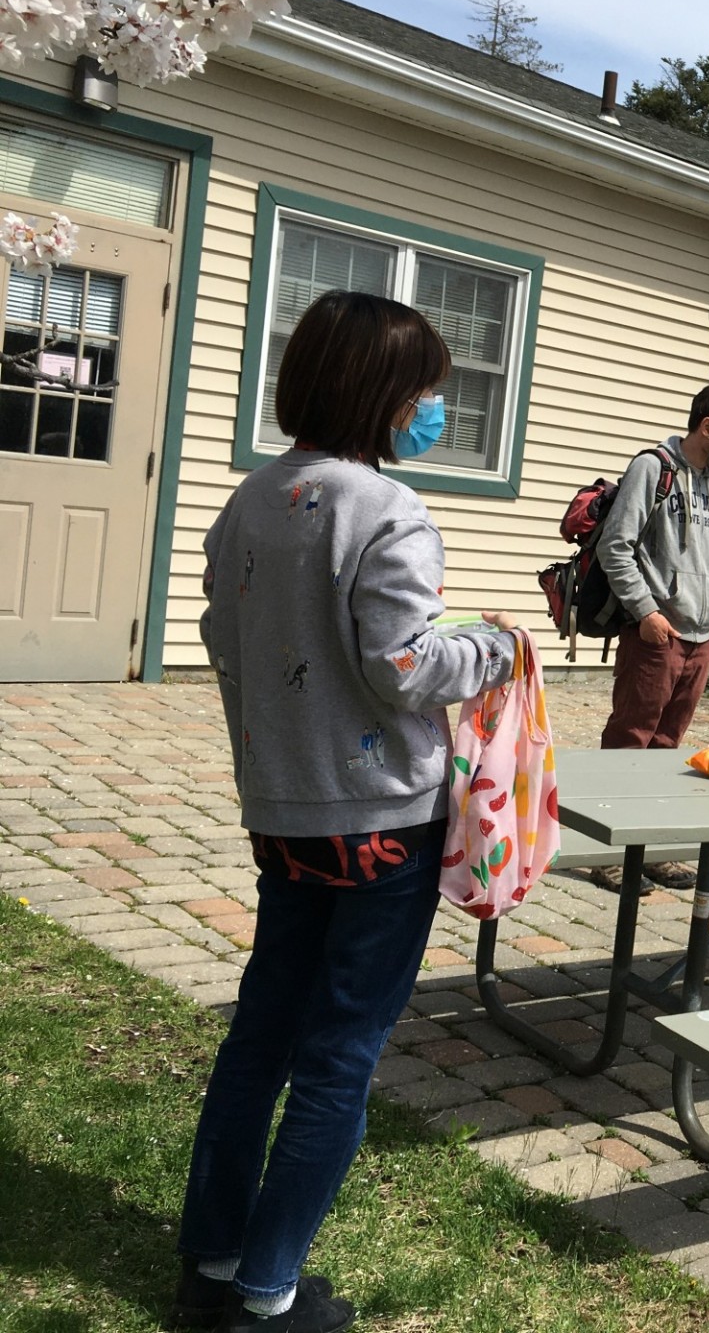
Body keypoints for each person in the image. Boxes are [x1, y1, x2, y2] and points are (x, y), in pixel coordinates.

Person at [178, 291, 518, 1333]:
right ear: (380, 397)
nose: (431, 411)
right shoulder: (389, 510)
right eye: (423, 394)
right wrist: (496, 644)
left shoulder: (252, 499)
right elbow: (407, 668)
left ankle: (213, 1258)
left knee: (262, 1034)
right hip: (380, 822)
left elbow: (222, 637)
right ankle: (271, 1292)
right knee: (339, 1054)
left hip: (283, 814)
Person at [593, 384, 709, 892]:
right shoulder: (652, 468)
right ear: (706, 428)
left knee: (667, 747)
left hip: (700, 634)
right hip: (657, 633)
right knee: (630, 741)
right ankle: (609, 853)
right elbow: (615, 547)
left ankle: (651, 851)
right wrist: (645, 611)